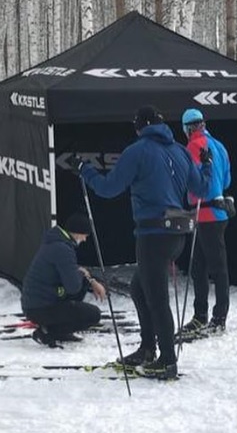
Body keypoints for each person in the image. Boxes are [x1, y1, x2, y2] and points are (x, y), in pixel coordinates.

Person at [79, 105, 211, 379]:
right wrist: (207, 166)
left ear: (140, 127)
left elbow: (108, 188)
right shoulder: (179, 150)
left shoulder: (137, 151)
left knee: (156, 298)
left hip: (153, 235)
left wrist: (86, 172)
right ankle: (148, 347)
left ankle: (167, 360)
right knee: (140, 289)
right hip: (177, 233)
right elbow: (201, 188)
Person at [180, 108, 232, 336]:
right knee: (203, 266)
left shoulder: (193, 146)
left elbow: (192, 179)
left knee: (208, 268)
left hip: (205, 213)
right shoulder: (219, 145)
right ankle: (204, 315)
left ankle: (216, 318)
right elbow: (228, 179)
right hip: (219, 213)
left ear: (187, 128)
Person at [20, 212, 107, 346]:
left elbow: (72, 273)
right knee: (93, 315)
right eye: (85, 235)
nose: (84, 239)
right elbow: (73, 287)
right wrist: (84, 276)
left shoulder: (56, 243)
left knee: (82, 282)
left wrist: (90, 280)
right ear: (77, 232)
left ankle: (55, 327)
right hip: (40, 307)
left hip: (36, 303)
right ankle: (51, 331)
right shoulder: (62, 249)